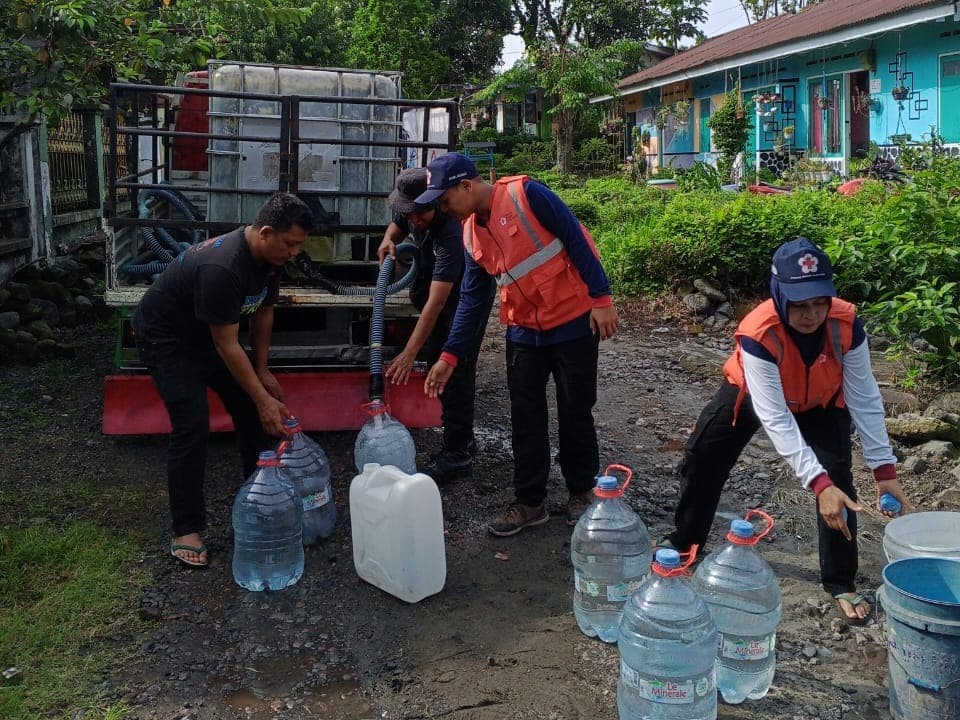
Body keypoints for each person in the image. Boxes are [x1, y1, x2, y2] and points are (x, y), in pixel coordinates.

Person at [665, 237, 911, 623]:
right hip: (752, 393)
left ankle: (840, 580)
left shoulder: (846, 323)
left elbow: (864, 397)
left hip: (821, 403)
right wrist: (815, 483)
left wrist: (884, 471)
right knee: (703, 454)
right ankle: (685, 546)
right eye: (799, 305)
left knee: (838, 482)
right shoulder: (758, 332)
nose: (811, 315)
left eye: (819, 302)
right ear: (779, 296)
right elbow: (775, 416)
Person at [415, 153, 619, 536]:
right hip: (525, 329)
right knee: (525, 416)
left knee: (575, 411)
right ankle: (529, 502)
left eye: (446, 201)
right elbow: (472, 301)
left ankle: (581, 492)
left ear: (467, 186)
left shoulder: (528, 195)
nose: (445, 210)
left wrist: (602, 299)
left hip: (573, 321)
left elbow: (576, 238)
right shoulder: (470, 233)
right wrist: (449, 355)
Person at [133, 192, 313, 567]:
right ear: (265, 232)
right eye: (291, 243)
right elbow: (227, 344)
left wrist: (263, 373)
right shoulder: (224, 266)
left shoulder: (271, 257)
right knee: (192, 424)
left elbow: (263, 312)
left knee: (251, 403)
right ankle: (186, 528)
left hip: (208, 335)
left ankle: (261, 495)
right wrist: (264, 400)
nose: (295, 252)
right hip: (168, 338)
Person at [377, 168, 493, 482]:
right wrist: (389, 241)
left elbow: (437, 303)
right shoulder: (413, 213)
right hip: (436, 295)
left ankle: (457, 454)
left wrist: (409, 352)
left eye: (418, 213)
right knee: (437, 365)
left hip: (463, 302)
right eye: (407, 212)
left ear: (436, 202)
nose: (412, 219)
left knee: (454, 371)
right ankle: (464, 440)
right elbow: (398, 224)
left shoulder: (451, 232)